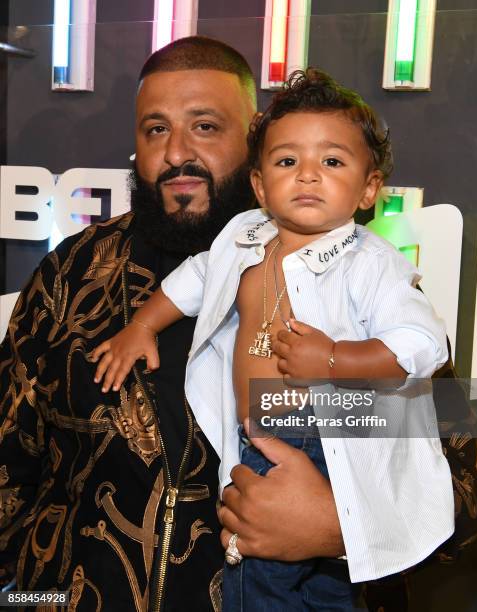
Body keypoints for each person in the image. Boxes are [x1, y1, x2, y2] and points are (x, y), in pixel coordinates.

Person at [92, 69, 455, 611]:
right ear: (260, 183)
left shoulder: (371, 263)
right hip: (252, 438)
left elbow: (422, 345)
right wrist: (143, 326)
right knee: (260, 576)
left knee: (278, 580)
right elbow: (194, 278)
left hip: (329, 439)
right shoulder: (242, 237)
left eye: (332, 162)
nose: (308, 176)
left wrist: (336, 358)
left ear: (370, 187)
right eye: (288, 162)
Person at [0, 36, 299, 611]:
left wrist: (335, 531)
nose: (176, 154)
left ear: (257, 136)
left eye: (205, 127)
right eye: (155, 129)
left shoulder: (343, 277)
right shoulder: (71, 274)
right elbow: (8, 462)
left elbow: (453, 490)